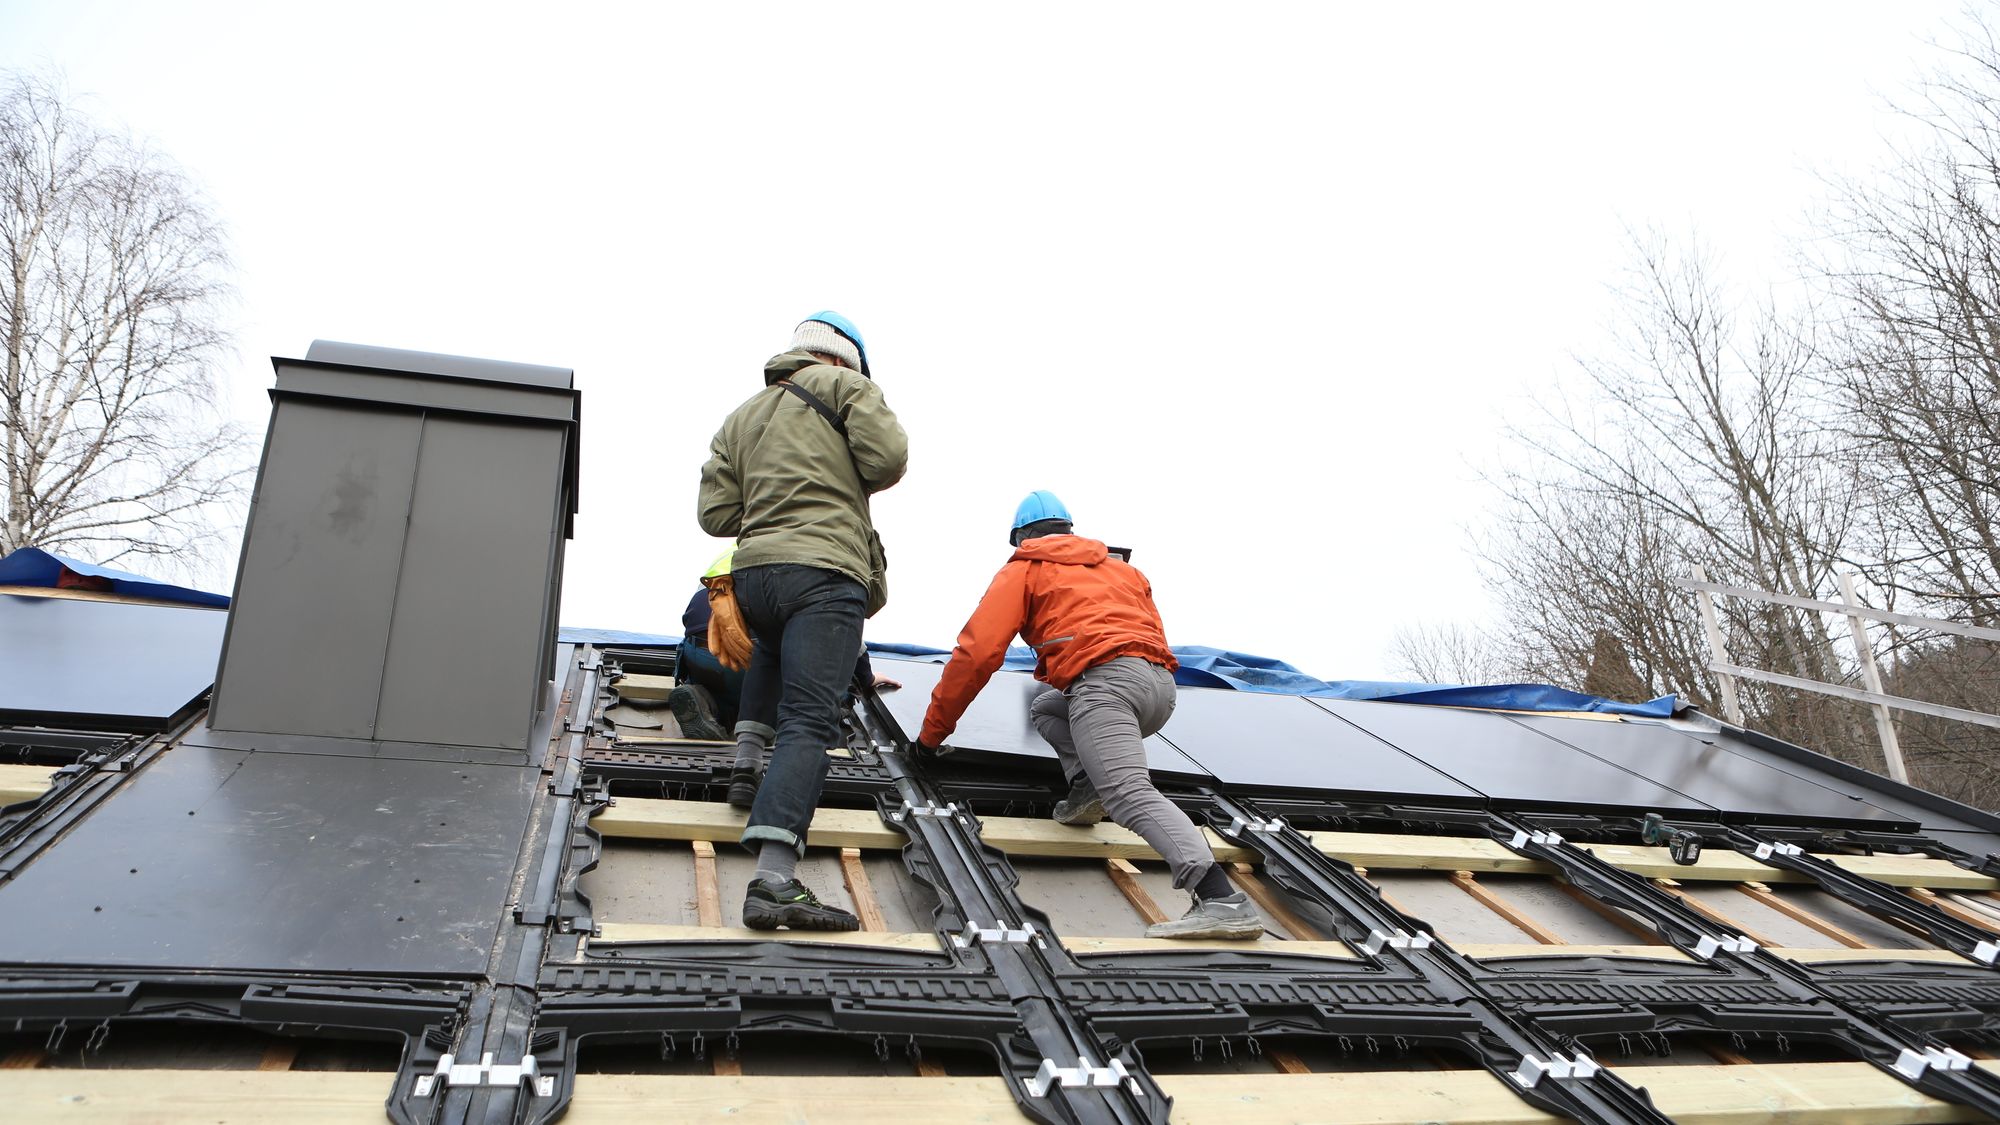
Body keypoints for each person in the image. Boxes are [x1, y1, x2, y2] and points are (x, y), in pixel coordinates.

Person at [914, 491, 1265, 940]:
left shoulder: (1025, 568)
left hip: (1106, 689)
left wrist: (931, 734)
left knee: (1128, 793)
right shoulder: (1123, 569)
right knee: (1047, 707)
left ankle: (1220, 898)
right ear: (1068, 528)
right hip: (1158, 687)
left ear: (1021, 537)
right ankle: (1084, 787)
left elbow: (977, 654)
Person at [698, 311, 908, 931]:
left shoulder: (742, 415)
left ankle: (744, 762)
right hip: (825, 571)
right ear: (844, 359)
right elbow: (888, 461)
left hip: (755, 574)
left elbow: (716, 514)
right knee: (811, 721)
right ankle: (773, 882)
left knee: (770, 647)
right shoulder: (847, 388)